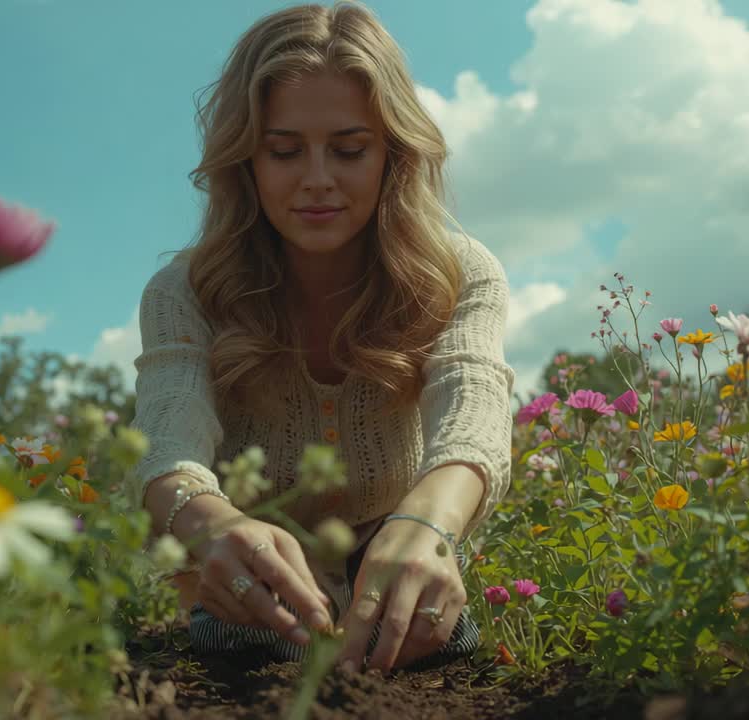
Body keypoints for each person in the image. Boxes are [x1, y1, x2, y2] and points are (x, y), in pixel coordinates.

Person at [131, 0, 514, 674]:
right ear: (244, 161)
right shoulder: (183, 292)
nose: (316, 179)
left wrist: (424, 525)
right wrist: (218, 528)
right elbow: (168, 444)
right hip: (254, 582)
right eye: (283, 151)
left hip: (391, 563)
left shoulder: (460, 275)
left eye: (348, 149)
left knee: (441, 634)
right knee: (237, 637)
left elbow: (472, 413)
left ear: (393, 152)